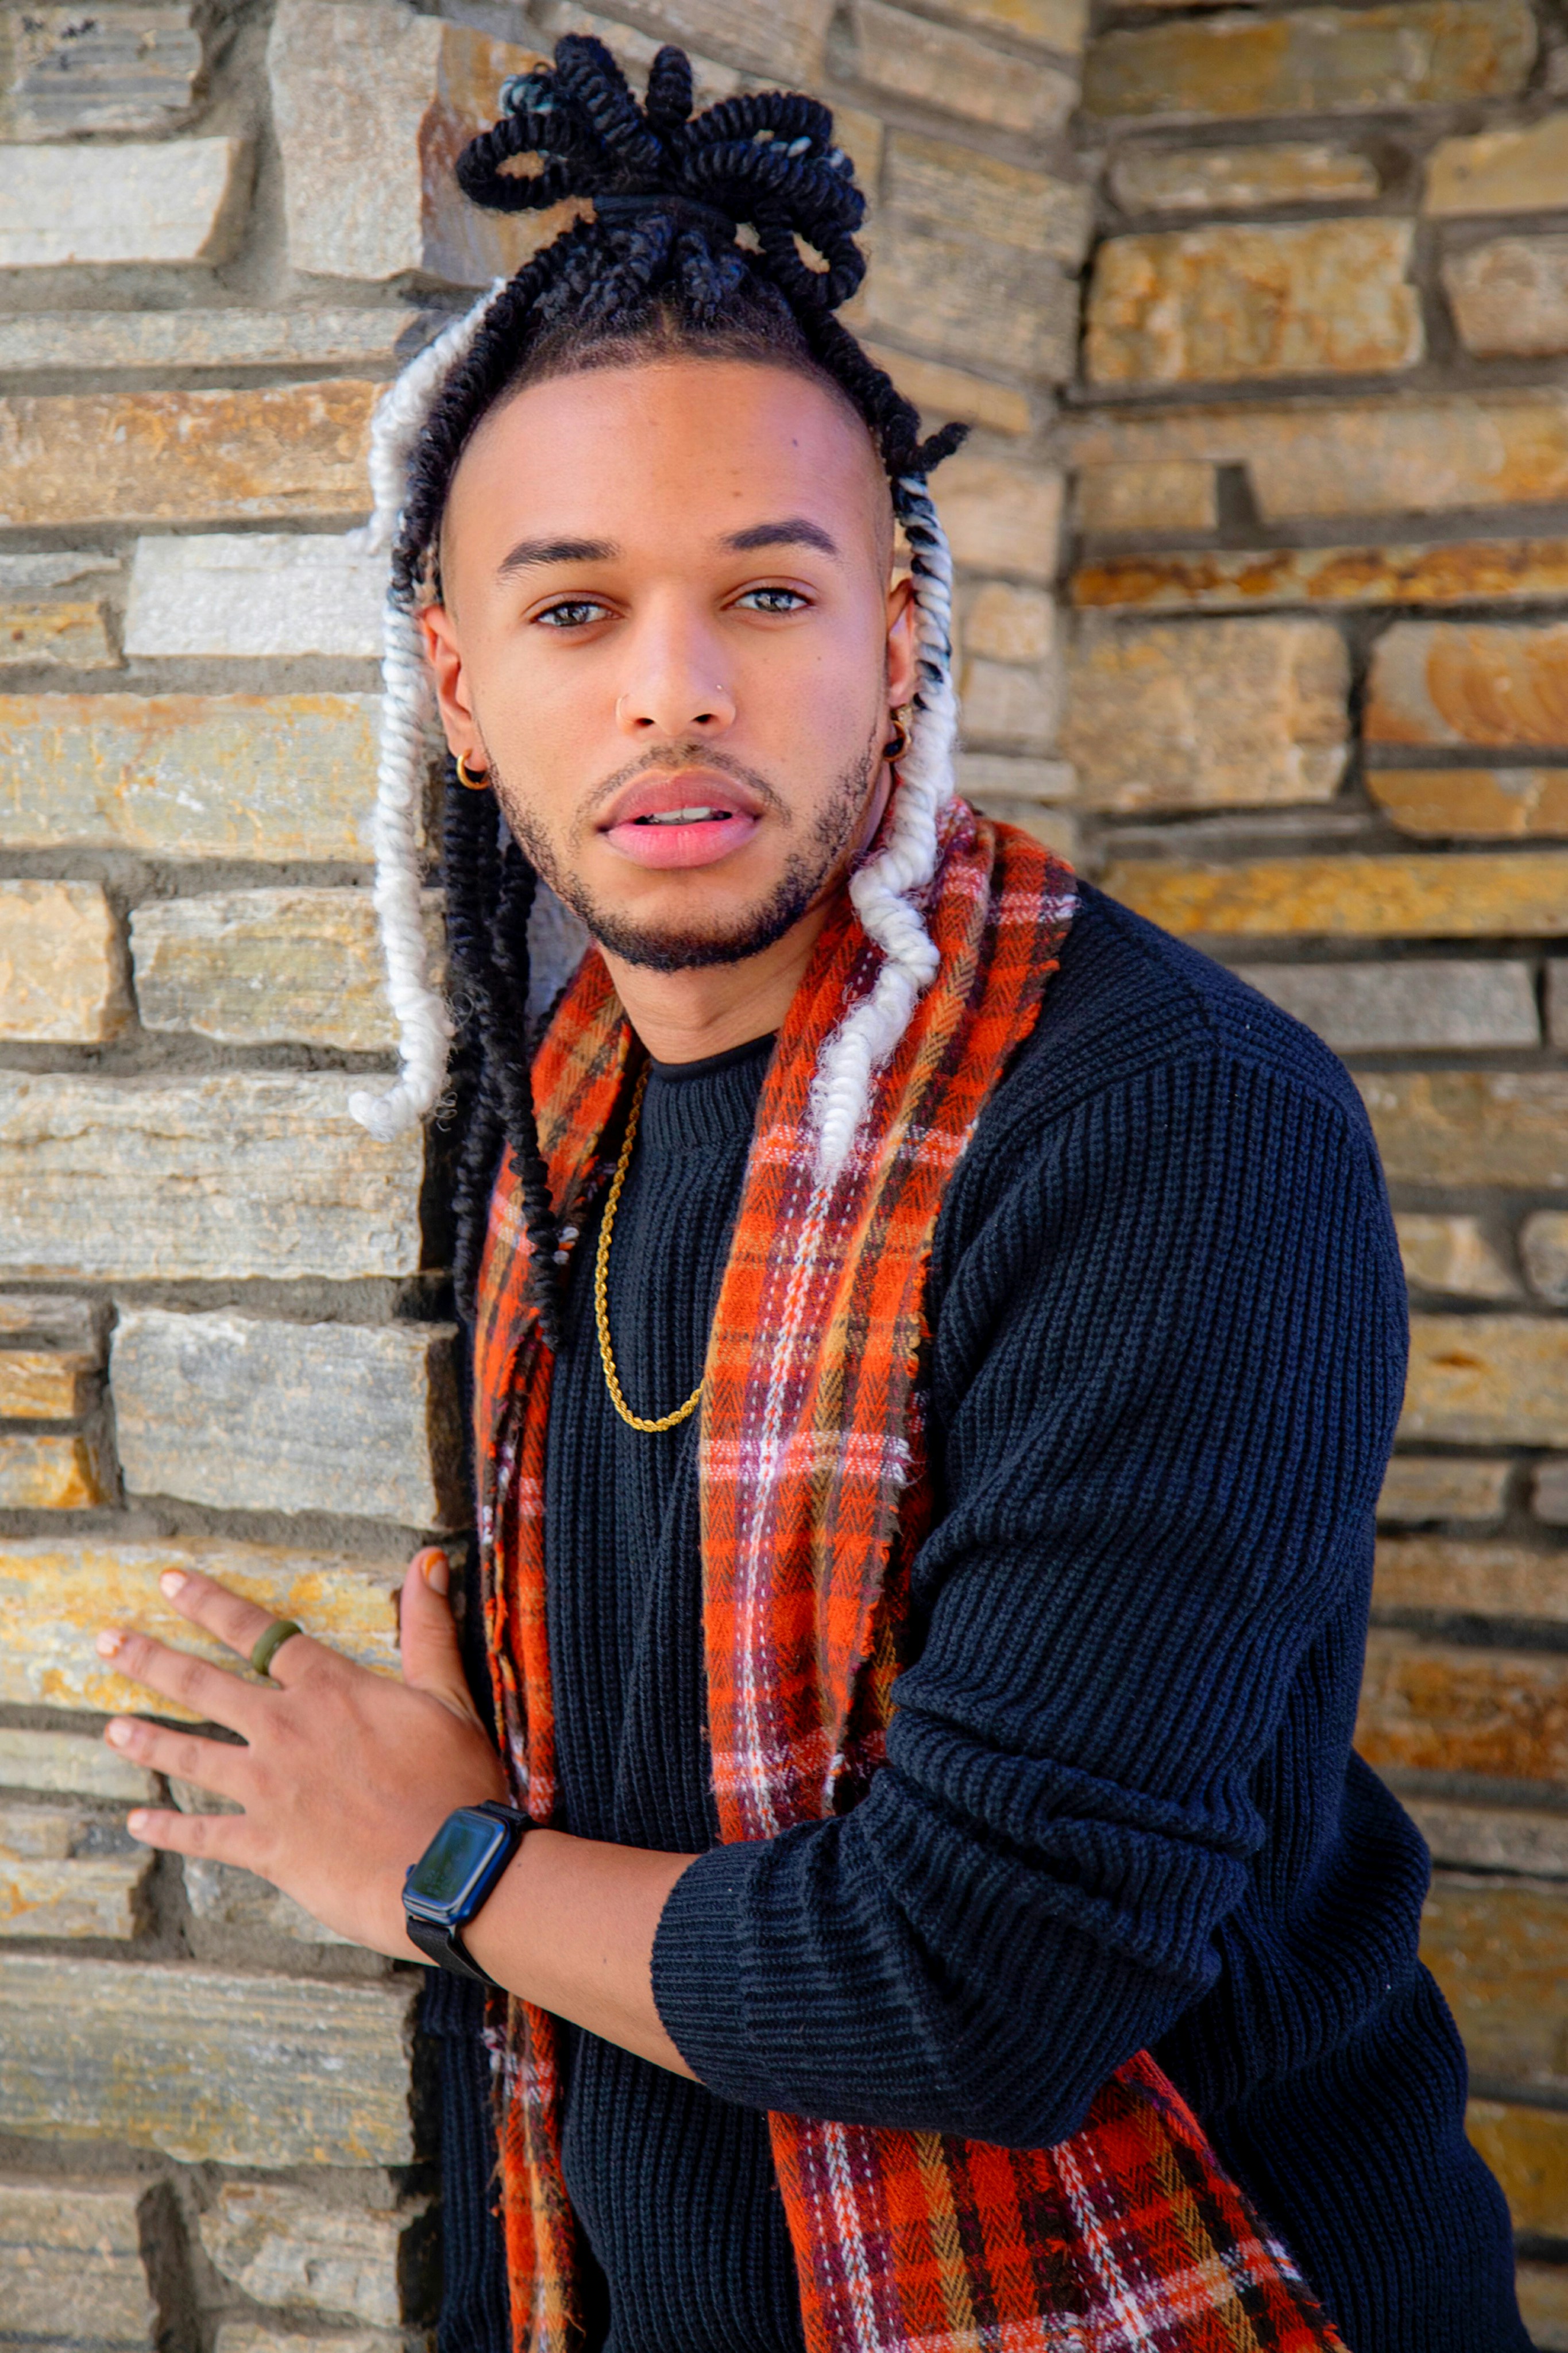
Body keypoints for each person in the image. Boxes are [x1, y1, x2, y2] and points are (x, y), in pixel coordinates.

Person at [95, 35, 1529, 2353]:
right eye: (572, 613)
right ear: (459, 689)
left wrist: (444, 1863)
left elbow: (985, 1980)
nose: (674, 693)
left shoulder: (1164, 1128)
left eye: (765, 596)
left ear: (897, 637)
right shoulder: (547, 1111)